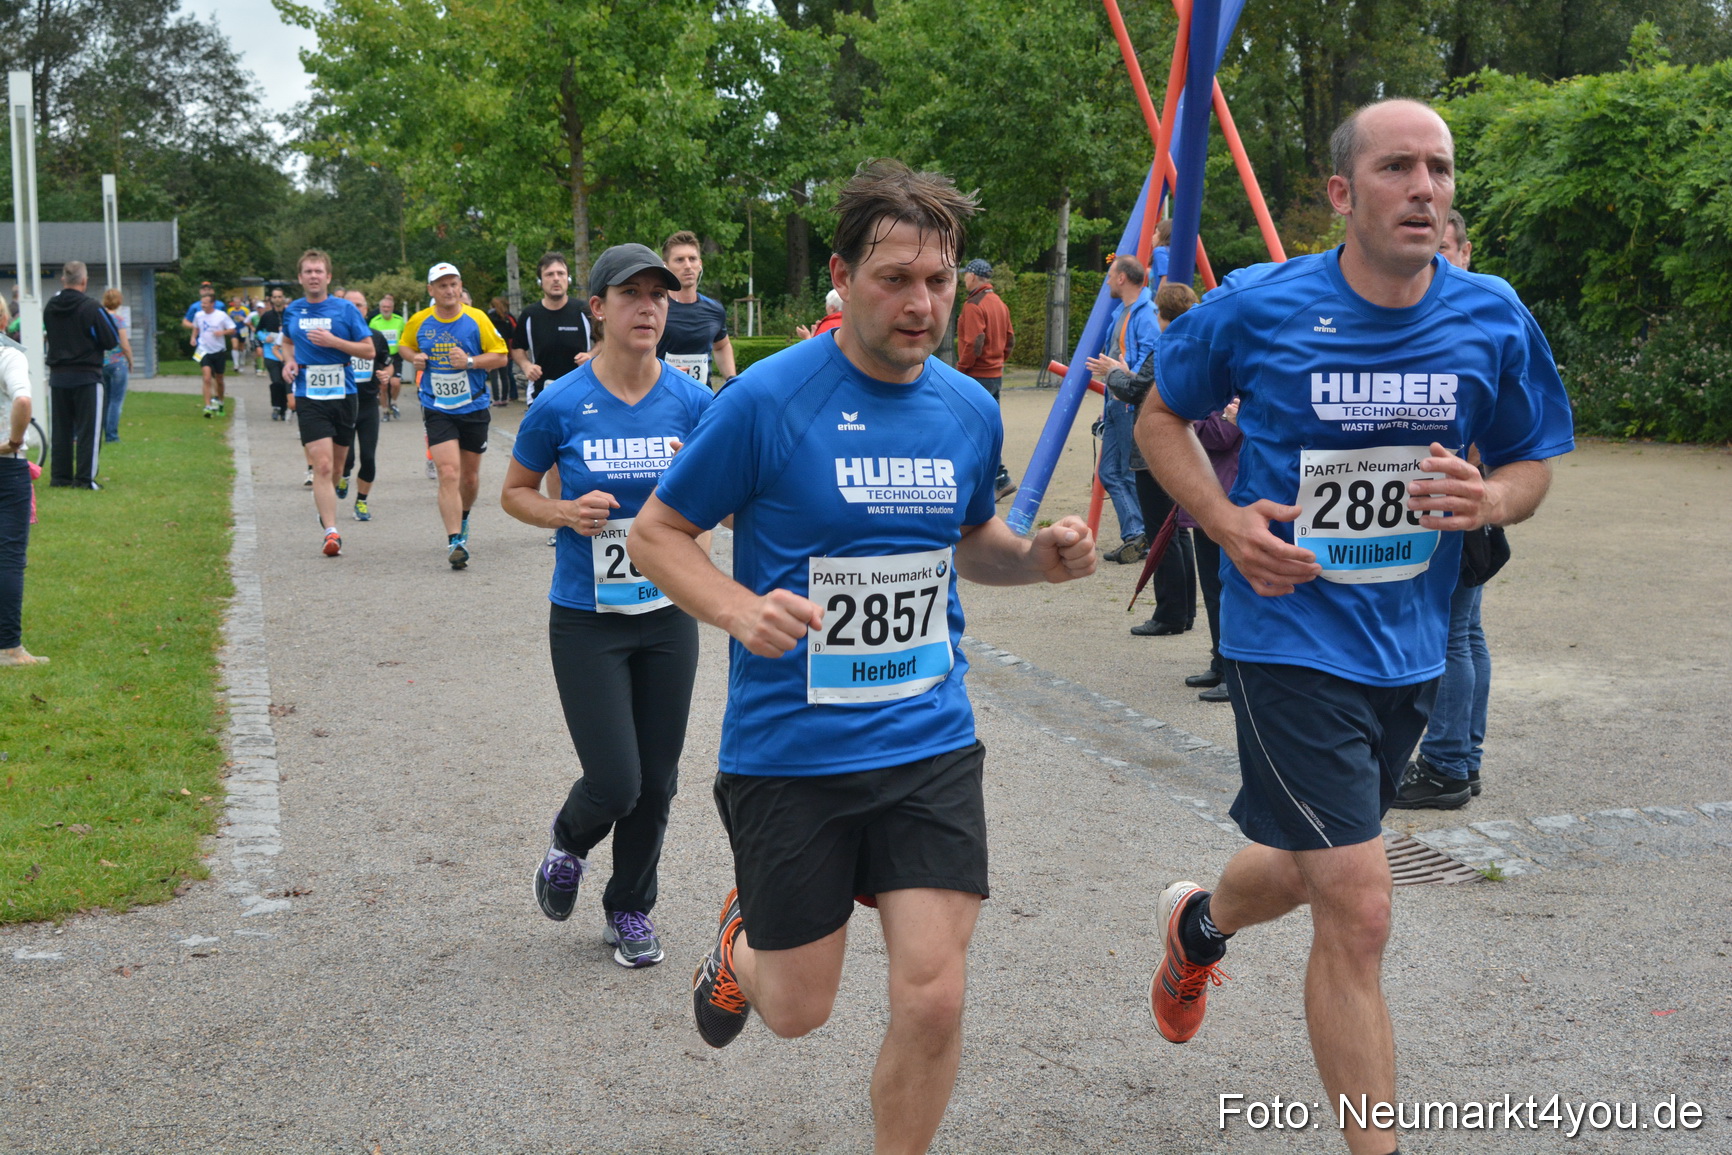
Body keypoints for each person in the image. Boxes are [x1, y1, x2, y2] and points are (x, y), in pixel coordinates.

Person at [630, 158, 1097, 1154]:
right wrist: (738, 608)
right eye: (894, 279)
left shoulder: (967, 409)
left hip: (927, 737)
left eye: (939, 279)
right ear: (841, 278)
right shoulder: (765, 400)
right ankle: (739, 943)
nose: (921, 302)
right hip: (792, 752)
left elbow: (973, 545)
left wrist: (1040, 562)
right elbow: (657, 535)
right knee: (799, 1009)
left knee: (933, 997)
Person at [1137, 100, 1574, 1155]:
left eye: (1438, 169)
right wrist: (1227, 522)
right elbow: (1158, 417)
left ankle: (1198, 924)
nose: (1424, 187)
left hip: (1409, 646)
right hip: (1287, 639)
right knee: (1360, 902)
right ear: (1342, 193)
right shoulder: (1259, 306)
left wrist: (1494, 500)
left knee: (1303, 863)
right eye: (1396, 168)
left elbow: (1530, 461)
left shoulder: (1492, 315)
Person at [502, 243, 712, 968]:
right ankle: (568, 841)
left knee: (658, 781)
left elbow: (728, 486)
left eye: (659, 294)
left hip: (666, 612)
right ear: (598, 308)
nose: (649, 306)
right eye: (632, 295)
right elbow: (516, 493)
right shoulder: (561, 401)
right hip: (588, 618)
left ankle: (629, 906)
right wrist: (563, 512)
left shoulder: (693, 400)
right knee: (617, 778)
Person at [1393, 209, 1487, 807]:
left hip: (1461, 503)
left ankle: (1449, 763)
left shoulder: (1479, 315)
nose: (1436, 264)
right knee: (1467, 630)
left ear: (1465, 250)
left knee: (1454, 632)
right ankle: (1463, 758)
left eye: (1445, 251)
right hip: (1461, 499)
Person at [1100, 280, 1206, 638]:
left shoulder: (1166, 343)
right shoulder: (1195, 342)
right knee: (1178, 532)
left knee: (1161, 532)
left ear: (1162, 315)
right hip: (1186, 444)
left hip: (1155, 449)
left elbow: (1136, 389)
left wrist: (1112, 374)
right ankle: (1185, 609)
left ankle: (1170, 613)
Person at [399, 262, 508, 569]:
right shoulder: (419, 321)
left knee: (470, 478)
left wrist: (471, 361)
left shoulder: (477, 319)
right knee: (448, 472)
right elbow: (404, 347)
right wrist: (415, 357)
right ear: (430, 290)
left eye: (453, 284)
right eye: (442, 285)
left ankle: (463, 516)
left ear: (460, 288)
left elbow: (500, 357)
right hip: (437, 407)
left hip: (473, 407)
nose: (449, 290)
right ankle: (454, 541)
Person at [281, 249, 376, 557]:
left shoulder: (345, 310)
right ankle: (331, 532)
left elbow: (368, 351)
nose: (313, 276)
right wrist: (288, 361)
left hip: (343, 392)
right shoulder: (293, 310)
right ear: (300, 277)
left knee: (336, 467)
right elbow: (286, 342)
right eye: (308, 271)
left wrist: (334, 342)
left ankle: (327, 507)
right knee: (321, 465)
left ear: (328, 276)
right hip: (309, 394)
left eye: (318, 271)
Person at [1086, 254, 1158, 564]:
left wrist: (1124, 373)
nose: (1106, 279)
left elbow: (1151, 360)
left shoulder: (1146, 313)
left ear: (1122, 279)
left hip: (1129, 404)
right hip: (1116, 403)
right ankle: (1137, 533)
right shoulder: (1125, 312)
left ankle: (1139, 534)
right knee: (1108, 472)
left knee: (1126, 473)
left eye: (1110, 273)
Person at [42, 261, 117, 490]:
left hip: (58, 376)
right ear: (84, 281)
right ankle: (85, 479)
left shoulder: (50, 307)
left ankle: (60, 477)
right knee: (89, 430)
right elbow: (111, 339)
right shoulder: (92, 307)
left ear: (63, 280)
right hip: (86, 376)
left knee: (61, 430)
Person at [0, 320, 46, 665]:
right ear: (3, 321)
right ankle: (8, 647)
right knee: (9, 557)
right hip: (5, 463)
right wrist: (14, 442)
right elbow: (23, 401)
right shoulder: (9, 356)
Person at [955, 258, 1017, 499]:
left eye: (965, 275)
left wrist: (960, 370)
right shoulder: (999, 303)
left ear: (972, 276)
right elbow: (1010, 339)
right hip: (995, 374)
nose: (963, 279)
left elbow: (974, 342)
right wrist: (999, 359)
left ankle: (988, 481)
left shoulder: (973, 305)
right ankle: (999, 478)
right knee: (988, 428)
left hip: (976, 375)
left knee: (970, 430)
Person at [511, 252, 593, 406]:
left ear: (568, 279)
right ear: (540, 281)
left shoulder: (584, 311)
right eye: (549, 274)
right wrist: (526, 366)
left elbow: (605, 340)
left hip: (581, 394)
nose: (556, 278)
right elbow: (517, 348)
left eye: (561, 273)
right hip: (541, 395)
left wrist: (591, 356)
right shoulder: (530, 315)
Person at [657, 230, 736, 388]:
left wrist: (732, 381)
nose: (687, 266)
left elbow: (721, 345)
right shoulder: (656, 307)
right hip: (662, 397)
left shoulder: (714, 309)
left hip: (702, 398)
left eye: (692, 259)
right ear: (666, 266)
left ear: (700, 264)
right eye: (679, 260)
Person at [339, 290, 389, 522]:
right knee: (346, 457)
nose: (356, 309)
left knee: (368, 457)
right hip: (343, 403)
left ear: (366, 310)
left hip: (368, 404)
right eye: (351, 305)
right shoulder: (337, 335)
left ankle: (361, 501)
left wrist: (386, 374)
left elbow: (387, 364)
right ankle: (344, 474)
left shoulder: (376, 337)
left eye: (360, 305)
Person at [189, 290, 235, 418]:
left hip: (218, 350)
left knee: (219, 379)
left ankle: (220, 402)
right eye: (202, 303)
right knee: (207, 378)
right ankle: (207, 406)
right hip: (204, 350)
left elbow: (232, 329)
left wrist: (223, 333)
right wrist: (193, 337)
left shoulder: (221, 315)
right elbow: (196, 327)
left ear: (212, 304)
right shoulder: (198, 315)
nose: (203, 305)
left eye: (205, 303)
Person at [100, 288, 133, 443]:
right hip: (118, 364)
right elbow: (124, 344)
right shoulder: (119, 320)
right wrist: (130, 361)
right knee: (116, 401)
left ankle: (100, 431)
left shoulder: (99, 318)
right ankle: (112, 436)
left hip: (102, 364)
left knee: (105, 401)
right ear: (119, 301)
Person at [370, 293, 407, 419]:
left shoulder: (399, 321)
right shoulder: (374, 322)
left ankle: (393, 403)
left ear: (392, 308)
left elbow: (405, 337)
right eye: (383, 307)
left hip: (395, 356)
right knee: (383, 385)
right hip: (381, 356)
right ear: (380, 308)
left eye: (388, 307)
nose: (386, 309)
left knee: (395, 383)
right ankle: (385, 410)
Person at [257, 288, 290, 420]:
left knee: (287, 381)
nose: (277, 299)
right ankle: (277, 406)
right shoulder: (267, 315)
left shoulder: (289, 314)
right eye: (275, 297)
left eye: (279, 297)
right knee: (276, 381)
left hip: (287, 354)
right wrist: (265, 337)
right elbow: (258, 331)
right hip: (271, 353)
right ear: (271, 299)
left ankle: (286, 407)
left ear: (283, 298)